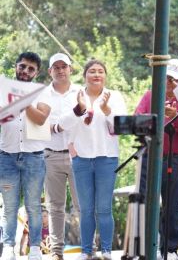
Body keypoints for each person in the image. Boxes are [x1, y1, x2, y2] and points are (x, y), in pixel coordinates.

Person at [59, 60, 127, 260]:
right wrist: (70, 144)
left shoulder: (114, 96)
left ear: (105, 76)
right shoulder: (75, 95)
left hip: (107, 158)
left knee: (104, 208)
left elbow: (121, 127)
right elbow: (63, 123)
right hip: (81, 159)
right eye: (92, 71)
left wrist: (106, 109)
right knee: (86, 209)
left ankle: (106, 250)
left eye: (100, 72)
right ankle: (86, 251)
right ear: (85, 76)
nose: (96, 75)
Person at [135, 59, 178, 260]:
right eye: (166, 78)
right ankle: (143, 249)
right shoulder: (151, 95)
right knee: (146, 203)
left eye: (173, 80)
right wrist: (156, 118)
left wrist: (176, 117)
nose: (169, 84)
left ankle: (169, 248)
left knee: (173, 206)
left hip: (177, 159)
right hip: (151, 158)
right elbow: (136, 122)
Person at [0, 52, 51, 260]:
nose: (25, 71)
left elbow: (41, 118)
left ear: (36, 73)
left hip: (34, 158)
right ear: (16, 66)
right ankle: (10, 247)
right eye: (22, 66)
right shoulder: (3, 88)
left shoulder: (43, 92)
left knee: (33, 205)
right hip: (6, 156)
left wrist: (24, 100)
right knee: (9, 205)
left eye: (31, 69)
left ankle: (36, 248)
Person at [42, 53, 81, 260]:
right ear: (50, 71)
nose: (60, 70)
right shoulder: (42, 94)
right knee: (55, 207)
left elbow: (85, 121)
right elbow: (37, 125)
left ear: (70, 69)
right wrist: (55, 127)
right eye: (55, 67)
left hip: (78, 156)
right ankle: (56, 252)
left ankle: (89, 249)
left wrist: (58, 126)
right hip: (50, 155)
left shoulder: (80, 93)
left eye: (63, 66)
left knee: (82, 205)